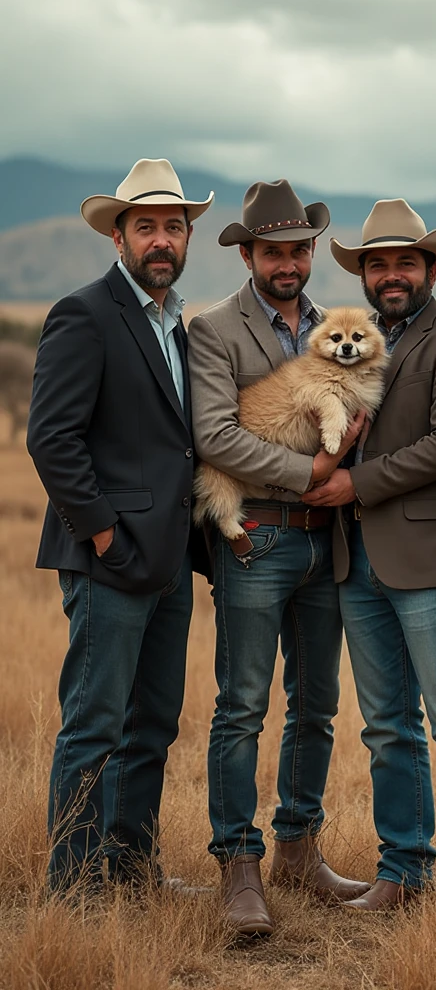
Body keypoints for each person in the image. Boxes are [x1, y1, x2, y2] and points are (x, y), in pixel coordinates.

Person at [303, 199, 436, 910]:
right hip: (351, 561)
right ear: (362, 275)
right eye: (377, 264)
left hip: (423, 557)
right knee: (387, 725)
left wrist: (355, 481)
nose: (391, 275)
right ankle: (403, 872)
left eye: (404, 262)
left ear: (429, 269)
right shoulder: (343, 339)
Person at [187, 180, 369, 938]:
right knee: (241, 706)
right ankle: (238, 867)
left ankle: (299, 847)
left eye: (298, 249)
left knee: (318, 706)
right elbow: (215, 437)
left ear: (313, 251)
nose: (287, 262)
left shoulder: (339, 328)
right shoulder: (214, 330)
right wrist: (315, 474)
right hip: (256, 535)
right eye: (272, 251)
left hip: (325, 544)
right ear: (249, 254)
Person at [27, 158, 214, 893]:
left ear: (187, 236)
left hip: (168, 561)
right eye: (146, 227)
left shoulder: (180, 329)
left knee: (152, 726)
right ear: (118, 236)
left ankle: (132, 870)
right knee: (94, 725)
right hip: (109, 559)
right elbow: (52, 438)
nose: (161, 240)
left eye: (174, 226)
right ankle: (72, 887)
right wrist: (104, 535)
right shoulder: (86, 314)